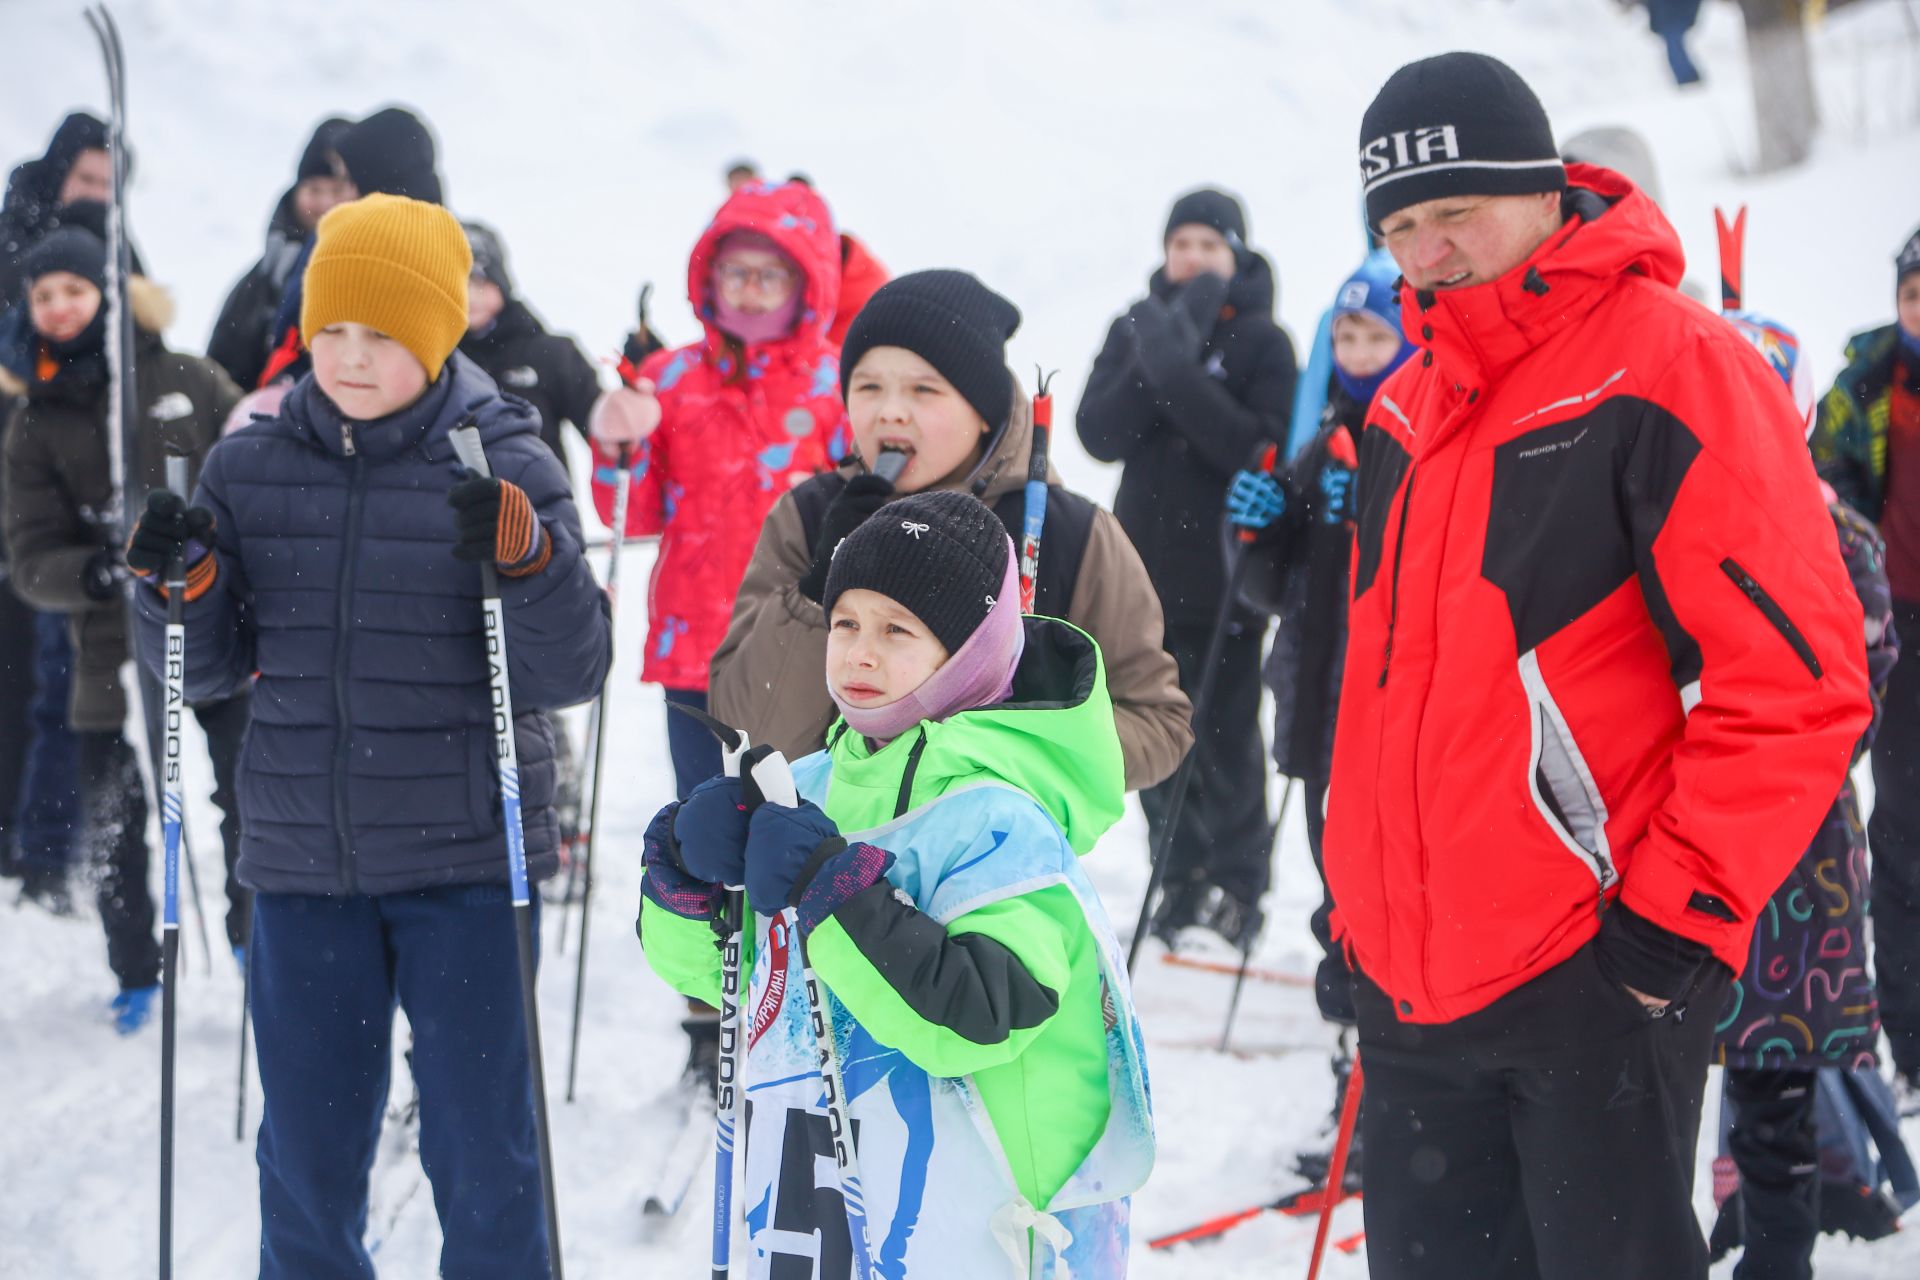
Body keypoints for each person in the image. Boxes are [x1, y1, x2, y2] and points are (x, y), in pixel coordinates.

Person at [1331, 52, 1871, 1279]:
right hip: (1414, 986)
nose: (1428, 251)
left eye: (1455, 210)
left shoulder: (1672, 365)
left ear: (1543, 189)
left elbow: (1800, 677)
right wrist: (1358, 900)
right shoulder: (1405, 407)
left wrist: (1672, 923)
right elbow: (1382, 687)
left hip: (1590, 971)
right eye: (1401, 225)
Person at [129, 193, 609, 1277]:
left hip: (471, 870)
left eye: (382, 334)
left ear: (438, 336)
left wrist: (531, 560)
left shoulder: (504, 464)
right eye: (331, 328)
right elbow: (199, 667)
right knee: (304, 1161)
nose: (349, 355)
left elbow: (572, 666)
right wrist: (178, 586)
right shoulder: (245, 466)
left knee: (485, 1157)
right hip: (303, 865)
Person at [639, 490, 1153, 1275]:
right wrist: (690, 885)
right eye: (845, 623)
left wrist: (829, 888)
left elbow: (981, 1015)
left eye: (897, 630)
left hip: (971, 1213)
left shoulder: (1001, 819)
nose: (860, 654)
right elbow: (739, 985)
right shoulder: (806, 784)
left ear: (973, 652)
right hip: (818, 1184)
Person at [709, 268, 1192, 792]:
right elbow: (750, 731)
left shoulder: (1069, 532)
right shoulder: (809, 517)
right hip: (821, 853)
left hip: (995, 859)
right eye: (869, 386)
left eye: (924, 389)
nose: (891, 412)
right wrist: (814, 595)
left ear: (983, 412)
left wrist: (1007, 756)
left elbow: (1157, 723)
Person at [0, 220, 240, 1026]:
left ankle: (257, 938)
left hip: (213, 628)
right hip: (109, 648)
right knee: (115, 824)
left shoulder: (184, 378)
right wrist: (97, 571)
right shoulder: (34, 422)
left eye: (75, 289)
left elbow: (254, 466)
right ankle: (137, 969)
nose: (61, 307)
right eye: (44, 295)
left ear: (109, 294)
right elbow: (31, 560)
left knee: (247, 795)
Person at [1707, 308, 1898, 1280]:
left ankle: (1776, 1246)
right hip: (1679, 840)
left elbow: (1858, 693)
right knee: (1676, 1055)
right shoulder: (1661, 512)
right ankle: (1722, 1219)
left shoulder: (1836, 530)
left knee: (1771, 1068)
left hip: (1796, 850)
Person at [1077, 187, 1297, 949]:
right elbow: (1099, 432)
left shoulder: (1265, 342)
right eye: (1181, 246)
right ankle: (1177, 877)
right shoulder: (1136, 326)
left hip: (1227, 575)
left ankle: (1237, 890)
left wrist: (1180, 374)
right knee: (1151, 736)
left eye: (1209, 247)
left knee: (1227, 735)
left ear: (1236, 255)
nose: (1193, 260)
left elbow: (1259, 447)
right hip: (1137, 575)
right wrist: (1161, 356)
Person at [588, 179, 847, 801]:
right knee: (706, 830)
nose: (751, 292)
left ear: (807, 284)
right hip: (696, 648)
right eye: (736, 273)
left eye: (771, 276)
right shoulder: (669, 379)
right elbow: (633, 511)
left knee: (800, 828)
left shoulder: (838, 386)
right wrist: (616, 444)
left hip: (808, 647)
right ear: (710, 277)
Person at [1810, 224, 1920, 1094]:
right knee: (1905, 836)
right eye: (1914, 293)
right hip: (1900, 631)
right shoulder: (1863, 386)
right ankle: (1913, 1045)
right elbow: (1826, 489)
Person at [205, 117, 352, 392]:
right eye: (314, 189)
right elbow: (222, 372)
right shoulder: (264, 278)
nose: (324, 203)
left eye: (335, 190)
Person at [458, 219, 603, 476]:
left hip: (543, 507)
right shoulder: (438, 361)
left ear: (501, 283)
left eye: (479, 282)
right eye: (458, 284)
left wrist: (630, 397)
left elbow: (605, 429)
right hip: (456, 510)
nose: (470, 297)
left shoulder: (549, 354)